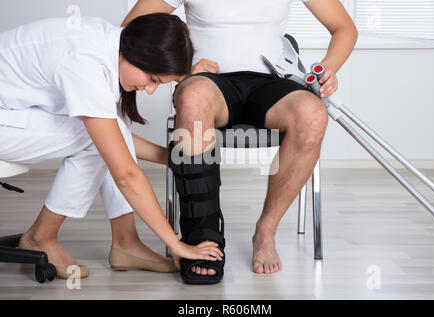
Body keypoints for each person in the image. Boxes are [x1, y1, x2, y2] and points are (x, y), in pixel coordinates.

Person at [123, 0, 358, 284]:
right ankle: (201, 236)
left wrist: (328, 68)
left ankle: (266, 231)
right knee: (193, 96)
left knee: (312, 113)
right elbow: (129, 31)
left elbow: (343, 28)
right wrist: (183, 72)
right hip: (210, 82)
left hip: (273, 80)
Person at [0, 13, 223, 279]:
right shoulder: (85, 62)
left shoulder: (112, 42)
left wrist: (176, 158)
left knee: (106, 133)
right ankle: (40, 237)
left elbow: (117, 137)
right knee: (97, 139)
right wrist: (176, 244)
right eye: (153, 79)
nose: (150, 90)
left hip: (10, 111)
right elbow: (126, 174)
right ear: (138, 54)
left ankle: (126, 243)